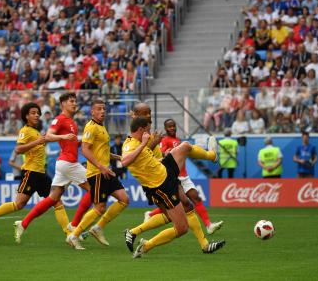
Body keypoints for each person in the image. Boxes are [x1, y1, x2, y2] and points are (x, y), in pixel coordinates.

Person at [122, 117, 225, 258]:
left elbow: (145, 160)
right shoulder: (130, 144)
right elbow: (125, 161)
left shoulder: (139, 143)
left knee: (185, 146)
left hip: (164, 170)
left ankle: (212, 155)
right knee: (182, 228)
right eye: (147, 130)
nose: (149, 133)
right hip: (162, 186)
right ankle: (146, 245)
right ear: (140, 129)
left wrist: (161, 156)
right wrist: (145, 143)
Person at [13, 93, 90, 244]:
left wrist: (81, 142)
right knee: (95, 189)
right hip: (68, 164)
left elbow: (70, 142)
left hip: (65, 164)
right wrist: (63, 137)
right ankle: (75, 228)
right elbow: (48, 136)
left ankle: (23, 224)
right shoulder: (60, 119)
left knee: (53, 199)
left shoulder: (72, 123)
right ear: (62, 104)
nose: (75, 104)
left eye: (75, 101)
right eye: (71, 101)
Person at [0, 103, 54, 235]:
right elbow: (18, 149)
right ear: (26, 116)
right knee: (19, 204)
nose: (37, 115)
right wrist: (37, 142)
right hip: (31, 172)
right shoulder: (25, 131)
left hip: (41, 173)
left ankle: (70, 232)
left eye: (38, 113)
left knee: (56, 201)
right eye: (33, 113)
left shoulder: (36, 131)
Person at [66, 99, 129, 250]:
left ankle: (98, 227)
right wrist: (101, 167)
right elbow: (85, 149)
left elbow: (103, 152)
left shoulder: (102, 128)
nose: (102, 112)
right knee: (100, 207)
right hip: (97, 173)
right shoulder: (91, 127)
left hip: (106, 171)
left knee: (124, 200)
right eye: (99, 109)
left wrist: (118, 157)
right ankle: (74, 235)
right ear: (92, 112)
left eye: (104, 109)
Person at [144, 119, 223, 235]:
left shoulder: (178, 140)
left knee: (196, 198)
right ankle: (150, 214)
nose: (172, 128)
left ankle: (209, 225)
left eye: (173, 126)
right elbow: (161, 154)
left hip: (184, 175)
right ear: (165, 128)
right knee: (178, 204)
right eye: (169, 127)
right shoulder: (165, 140)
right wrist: (166, 152)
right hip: (174, 176)